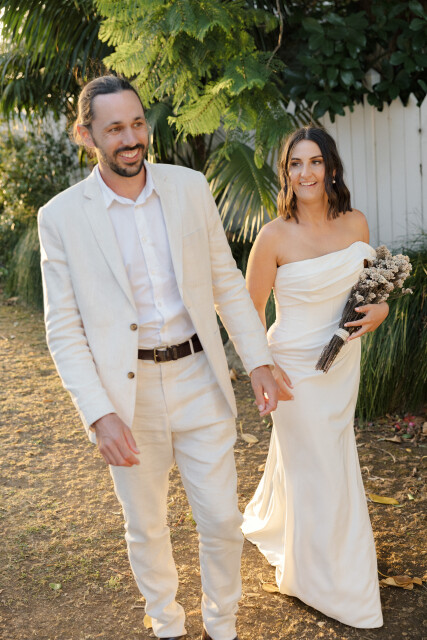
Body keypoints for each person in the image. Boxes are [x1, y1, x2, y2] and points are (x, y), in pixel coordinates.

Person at [38, 75, 278, 640]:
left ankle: (222, 626)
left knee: (222, 520)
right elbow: (64, 330)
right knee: (145, 526)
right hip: (129, 394)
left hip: (200, 377)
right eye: (114, 129)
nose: (131, 139)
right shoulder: (60, 216)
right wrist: (99, 414)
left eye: (138, 124)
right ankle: (167, 626)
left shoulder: (189, 187)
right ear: (86, 134)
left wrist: (258, 360)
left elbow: (225, 282)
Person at [241, 125, 388, 628]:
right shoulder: (273, 236)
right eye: (295, 163)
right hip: (293, 370)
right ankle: (321, 580)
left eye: (315, 162)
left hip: (342, 363)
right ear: (286, 173)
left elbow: (370, 290)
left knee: (325, 456)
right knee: (320, 466)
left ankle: (302, 540)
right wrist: (264, 365)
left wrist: (382, 310)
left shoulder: (356, 222)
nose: (306, 172)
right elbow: (248, 312)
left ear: (331, 168)